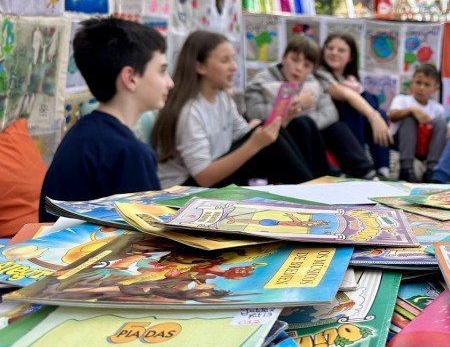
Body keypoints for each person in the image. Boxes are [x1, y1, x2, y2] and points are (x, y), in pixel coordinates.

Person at [39, 18, 174, 221]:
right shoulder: (129, 153)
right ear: (130, 78)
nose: (170, 82)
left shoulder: (81, 133)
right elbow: (153, 239)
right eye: (162, 71)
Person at [152, 31, 316, 188]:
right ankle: (313, 194)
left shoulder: (222, 98)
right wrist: (256, 143)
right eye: (225, 61)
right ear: (201, 67)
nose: (234, 67)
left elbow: (243, 134)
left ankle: (316, 186)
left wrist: (283, 119)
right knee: (271, 142)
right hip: (185, 190)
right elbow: (203, 177)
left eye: (233, 59)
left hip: (210, 175)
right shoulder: (190, 111)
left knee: (292, 126)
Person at [245, 36, 376, 179]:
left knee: (333, 126)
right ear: (283, 58)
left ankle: (367, 172)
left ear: (312, 69)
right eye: (294, 60)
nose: (299, 68)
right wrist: (296, 104)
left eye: (306, 65)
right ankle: (322, 176)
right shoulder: (261, 81)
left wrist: (307, 120)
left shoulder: (311, 82)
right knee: (301, 125)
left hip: (311, 133)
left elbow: (330, 113)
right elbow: (255, 114)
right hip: (273, 138)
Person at [318, 33, 392, 178]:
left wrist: (360, 90)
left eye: (341, 50)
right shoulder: (320, 73)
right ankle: (362, 168)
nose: (334, 53)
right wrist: (373, 116)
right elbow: (345, 95)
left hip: (348, 128)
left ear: (351, 57)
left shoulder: (350, 79)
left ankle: (383, 169)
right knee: (355, 108)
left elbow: (372, 103)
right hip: (330, 129)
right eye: (330, 48)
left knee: (381, 113)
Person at [387, 64, 446, 183]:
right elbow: (392, 116)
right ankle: (406, 169)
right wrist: (411, 110)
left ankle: (431, 170)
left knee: (441, 123)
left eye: (427, 84)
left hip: (423, 148)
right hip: (400, 143)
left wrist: (427, 121)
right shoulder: (402, 99)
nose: (421, 88)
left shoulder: (438, 109)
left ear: (435, 88)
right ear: (412, 82)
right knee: (409, 118)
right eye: (418, 82)